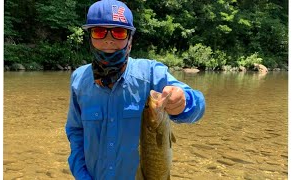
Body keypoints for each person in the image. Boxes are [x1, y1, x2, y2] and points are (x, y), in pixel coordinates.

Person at [65, 0, 206, 179]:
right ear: (90, 37)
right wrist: (81, 175)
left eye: (119, 32)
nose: (109, 39)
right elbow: (76, 133)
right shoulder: (78, 80)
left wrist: (184, 101)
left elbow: (198, 106)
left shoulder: (151, 73)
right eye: (99, 31)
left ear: (130, 39)